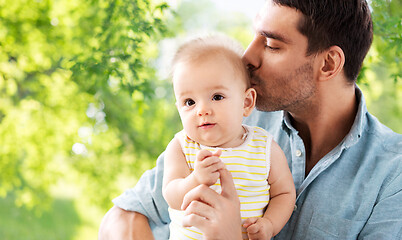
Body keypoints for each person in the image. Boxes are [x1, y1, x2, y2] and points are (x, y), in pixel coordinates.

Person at [99, 0, 402, 239]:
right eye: (253, 36)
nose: (247, 57)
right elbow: (123, 217)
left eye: (271, 45)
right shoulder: (228, 118)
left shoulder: (392, 174)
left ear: (329, 63)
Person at [162, 36, 295, 240]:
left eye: (217, 97)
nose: (202, 110)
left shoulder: (264, 147)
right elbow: (171, 195)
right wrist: (195, 179)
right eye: (189, 102)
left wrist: (269, 224)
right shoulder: (182, 147)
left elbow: (284, 194)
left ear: (246, 102)